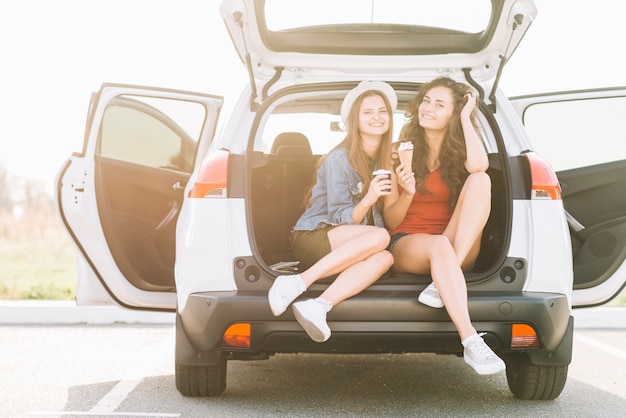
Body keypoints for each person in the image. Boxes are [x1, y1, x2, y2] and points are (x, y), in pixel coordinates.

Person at [383, 77, 506, 375]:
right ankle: (470, 339)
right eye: (426, 100)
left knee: (481, 179)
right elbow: (390, 220)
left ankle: (443, 280)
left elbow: (479, 167)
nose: (428, 108)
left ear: (452, 114)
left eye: (440, 105)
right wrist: (408, 190)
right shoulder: (398, 150)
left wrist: (466, 115)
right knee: (439, 245)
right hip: (409, 241)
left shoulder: (459, 152)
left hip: (454, 244)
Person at [268, 81, 396, 343]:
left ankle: (318, 306)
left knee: (385, 259)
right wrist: (369, 197)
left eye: (382, 111)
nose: (377, 117)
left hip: (348, 245)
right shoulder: (339, 159)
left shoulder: (386, 161)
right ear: (355, 121)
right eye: (367, 112)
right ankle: (297, 282)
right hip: (315, 236)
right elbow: (339, 217)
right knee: (381, 238)